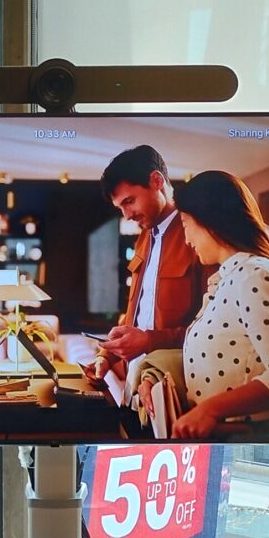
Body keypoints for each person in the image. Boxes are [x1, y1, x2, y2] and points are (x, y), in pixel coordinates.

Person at [163, 170, 269, 441]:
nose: (187, 240)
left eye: (186, 223)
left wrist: (211, 410)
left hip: (255, 443)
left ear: (210, 220)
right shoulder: (228, 278)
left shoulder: (254, 275)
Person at [97, 144, 204, 383]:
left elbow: (212, 328)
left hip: (177, 385)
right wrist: (107, 355)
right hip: (136, 384)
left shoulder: (198, 237)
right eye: (120, 207)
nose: (127, 215)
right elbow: (136, 311)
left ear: (156, 181)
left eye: (130, 201)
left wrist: (149, 340)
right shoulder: (143, 238)